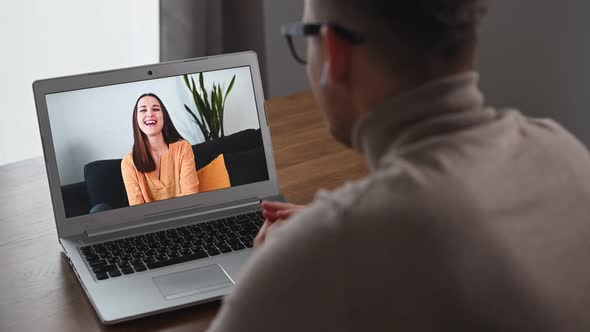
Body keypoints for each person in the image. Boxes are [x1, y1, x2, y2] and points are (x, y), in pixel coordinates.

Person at [208, 0, 590, 331]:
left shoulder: (322, 252)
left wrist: (286, 265)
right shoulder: (564, 151)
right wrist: (353, 227)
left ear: (334, 53)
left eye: (304, 39)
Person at [121, 93, 199, 206]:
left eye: (156, 109)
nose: (150, 114)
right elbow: (137, 209)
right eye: (143, 110)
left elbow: (190, 196)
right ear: (136, 119)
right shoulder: (128, 163)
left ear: (164, 116)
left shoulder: (183, 148)